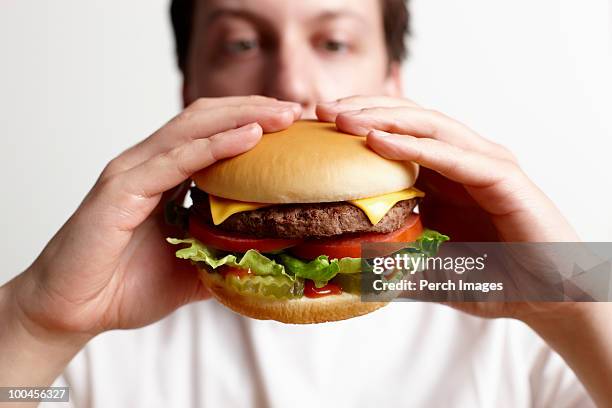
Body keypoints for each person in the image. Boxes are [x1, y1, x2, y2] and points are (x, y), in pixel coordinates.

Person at [0, 0, 610, 406]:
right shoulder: (97, 344)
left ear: (393, 81)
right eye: (240, 44)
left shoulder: (520, 333)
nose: (292, 84)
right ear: (189, 88)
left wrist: (572, 300)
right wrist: (34, 323)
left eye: (336, 42)